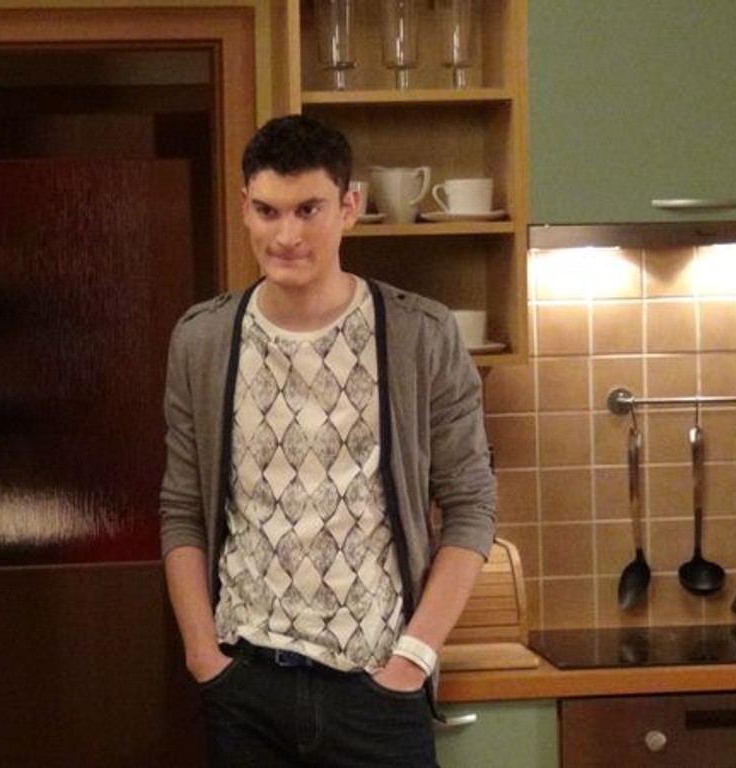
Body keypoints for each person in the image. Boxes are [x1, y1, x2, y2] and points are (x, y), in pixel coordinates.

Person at [159, 114, 496, 768]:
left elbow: (471, 504)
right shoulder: (202, 340)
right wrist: (203, 654)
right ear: (245, 208)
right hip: (246, 684)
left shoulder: (420, 334)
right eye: (268, 211)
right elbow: (181, 509)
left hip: (377, 688)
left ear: (349, 207)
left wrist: (414, 658)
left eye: (308, 209)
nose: (286, 235)